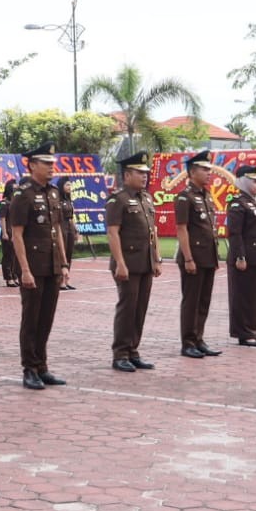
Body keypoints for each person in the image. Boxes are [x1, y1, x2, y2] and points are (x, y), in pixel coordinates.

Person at [9, 143, 71, 389]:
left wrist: (64, 263)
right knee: (31, 320)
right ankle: (29, 368)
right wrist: (24, 269)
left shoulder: (54, 193)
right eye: (46, 163)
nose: (51, 167)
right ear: (32, 165)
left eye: (52, 163)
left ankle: (42, 365)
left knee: (46, 319)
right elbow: (17, 234)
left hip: (52, 264)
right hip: (33, 266)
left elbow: (56, 229)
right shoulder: (22, 194)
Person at [105, 152, 161, 371]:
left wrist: (156, 259)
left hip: (145, 262)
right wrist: (119, 262)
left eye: (146, 173)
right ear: (127, 175)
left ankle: (133, 350)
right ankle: (120, 354)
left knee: (140, 309)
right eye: (139, 172)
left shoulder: (146, 198)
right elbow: (112, 232)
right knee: (127, 308)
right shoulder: (117, 199)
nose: (144, 177)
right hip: (127, 263)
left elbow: (152, 232)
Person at [173, 150, 220, 359]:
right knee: (191, 301)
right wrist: (189, 258)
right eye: (204, 169)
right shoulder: (185, 197)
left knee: (204, 301)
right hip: (193, 258)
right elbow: (182, 229)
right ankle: (188, 342)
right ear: (192, 172)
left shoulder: (206, 196)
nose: (209, 173)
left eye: (209, 169)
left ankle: (199, 338)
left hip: (208, 256)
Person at [226, 164, 256, 347]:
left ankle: (254, 329)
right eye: (254, 181)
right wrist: (240, 256)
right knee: (243, 296)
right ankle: (244, 333)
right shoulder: (238, 203)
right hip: (245, 257)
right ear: (244, 182)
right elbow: (235, 233)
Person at [57, 177, 79, 290]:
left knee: (69, 252)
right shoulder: (57, 200)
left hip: (69, 227)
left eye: (70, 185)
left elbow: (71, 217)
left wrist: (75, 230)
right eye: (67, 185)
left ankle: (66, 279)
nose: (69, 187)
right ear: (62, 186)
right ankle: (60, 280)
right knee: (63, 253)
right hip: (61, 227)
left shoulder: (68, 200)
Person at [0, 179, 21, 287]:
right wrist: (4, 233)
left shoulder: (15, 201)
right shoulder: (4, 202)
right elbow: (2, 218)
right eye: (14, 187)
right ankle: (8, 277)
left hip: (14, 232)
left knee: (15, 255)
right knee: (8, 255)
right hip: (7, 231)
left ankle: (14, 275)